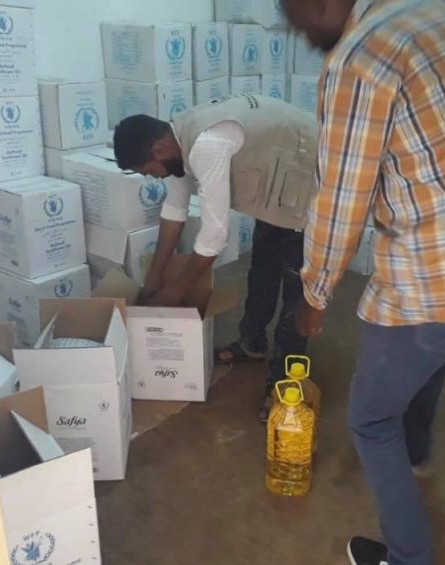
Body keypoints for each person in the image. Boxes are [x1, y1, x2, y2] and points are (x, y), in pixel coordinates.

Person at [282, 1, 445, 564]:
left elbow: (341, 199)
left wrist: (315, 293)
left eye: (299, 15)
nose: (300, 32)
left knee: (370, 417)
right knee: (430, 357)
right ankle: (417, 453)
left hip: (441, 276)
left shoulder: (362, 56)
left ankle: (408, 558)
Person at [112, 94, 320, 421]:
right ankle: (252, 343)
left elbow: (214, 236)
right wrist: (152, 281)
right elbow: (174, 212)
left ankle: (283, 386)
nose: (153, 177)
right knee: (262, 270)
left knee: (296, 294)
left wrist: (176, 291)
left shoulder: (205, 145)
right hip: (277, 183)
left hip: (309, 177)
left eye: (148, 171)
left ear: (157, 151)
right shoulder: (177, 143)